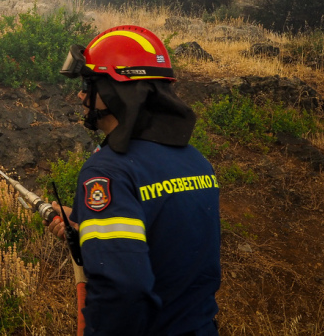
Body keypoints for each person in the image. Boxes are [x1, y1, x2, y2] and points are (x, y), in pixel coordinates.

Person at [49, 25, 220, 336]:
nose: (81, 94)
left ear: (116, 92)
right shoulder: (197, 163)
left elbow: (123, 290)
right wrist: (84, 230)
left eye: (90, 84)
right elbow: (163, 243)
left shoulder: (107, 173)